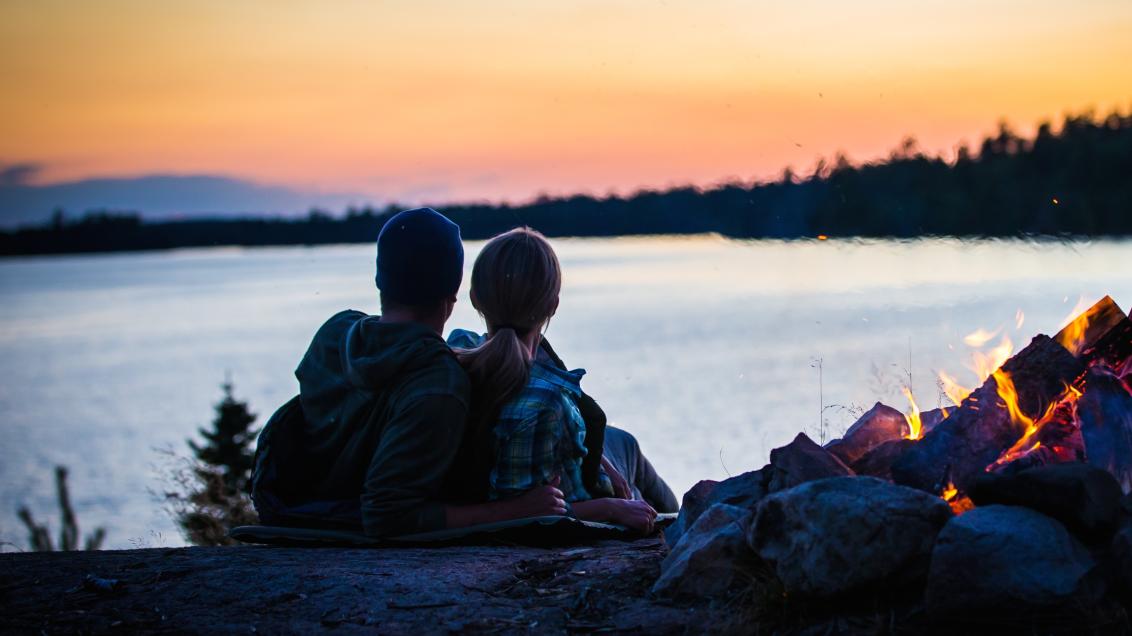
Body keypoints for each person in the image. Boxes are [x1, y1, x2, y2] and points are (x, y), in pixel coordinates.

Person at [250, 208, 567, 538]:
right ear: (455, 292)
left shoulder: (335, 334)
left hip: (306, 503)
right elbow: (387, 516)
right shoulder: (440, 384)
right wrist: (514, 511)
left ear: (379, 279)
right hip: (350, 520)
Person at [448, 227, 678, 533]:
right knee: (634, 463)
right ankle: (686, 525)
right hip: (584, 505)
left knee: (623, 442)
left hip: (576, 469)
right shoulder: (543, 403)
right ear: (552, 305)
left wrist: (602, 462)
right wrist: (611, 508)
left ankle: (683, 516)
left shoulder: (460, 346)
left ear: (475, 298)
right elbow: (528, 512)